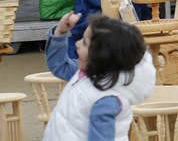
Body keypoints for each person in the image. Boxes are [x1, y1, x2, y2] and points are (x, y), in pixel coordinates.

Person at [44, 11, 156, 141]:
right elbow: (60, 66)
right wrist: (60, 32)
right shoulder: (91, 72)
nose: (77, 43)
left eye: (85, 43)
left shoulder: (106, 100)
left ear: (101, 56)